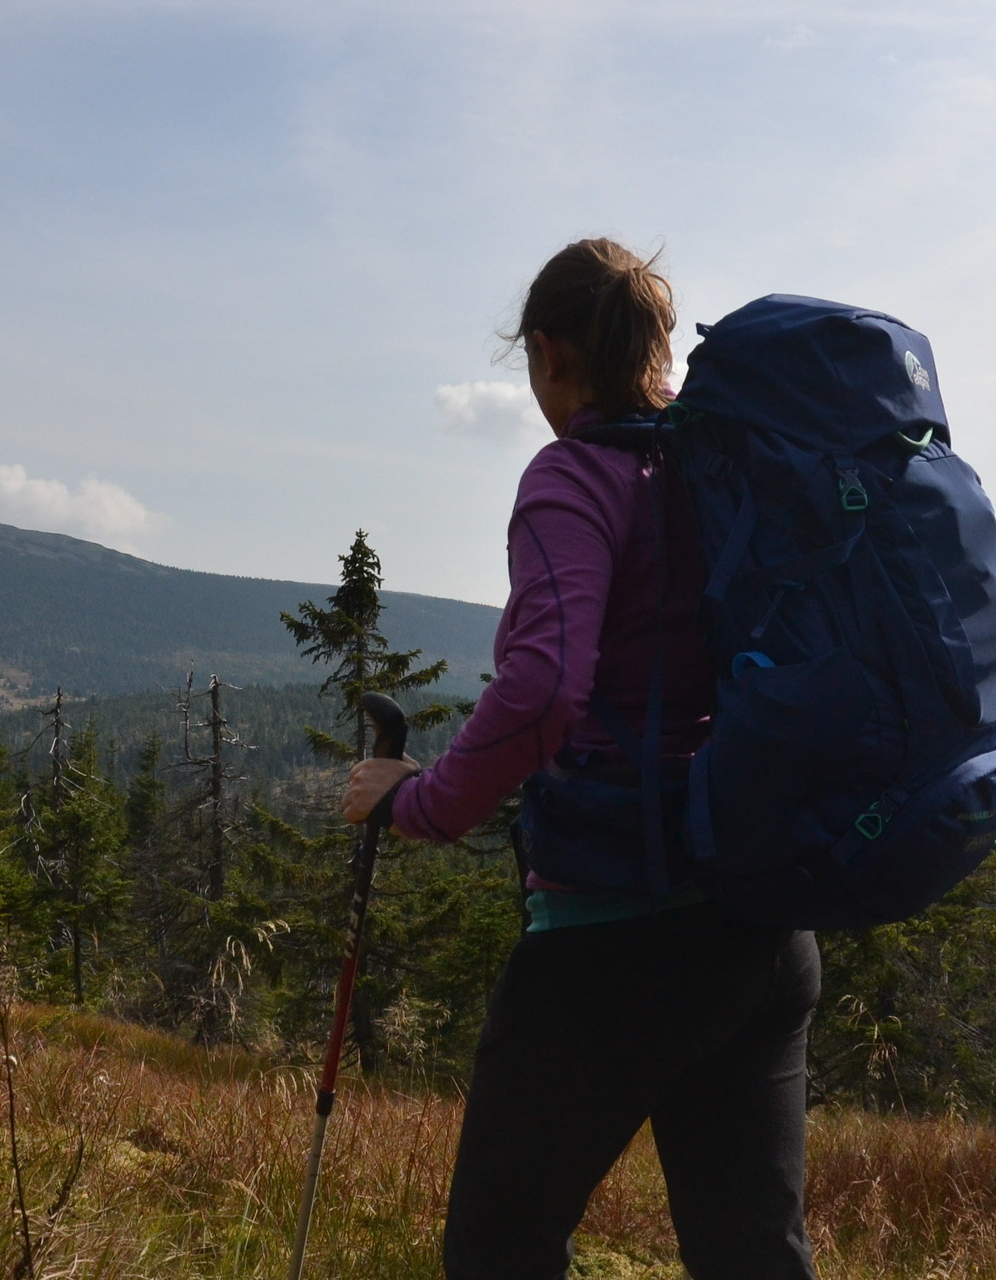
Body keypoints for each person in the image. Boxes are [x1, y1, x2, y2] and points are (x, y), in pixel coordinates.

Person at [342, 238, 821, 1280]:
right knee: (754, 1256)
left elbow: (547, 687)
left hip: (611, 933)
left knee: (498, 1249)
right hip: (760, 919)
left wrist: (420, 800)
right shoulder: (723, 468)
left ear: (550, 353)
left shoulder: (574, 475)